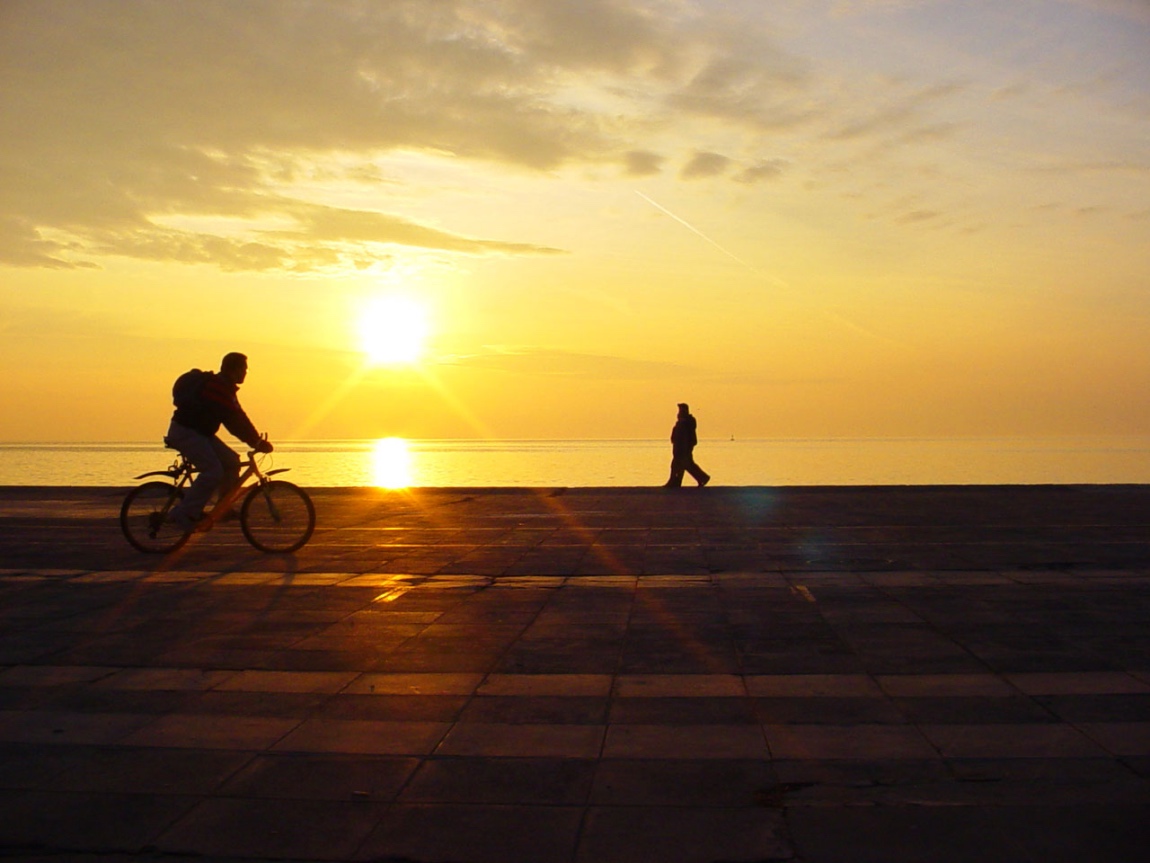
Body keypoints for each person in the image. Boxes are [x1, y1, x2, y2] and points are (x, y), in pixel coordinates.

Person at [165, 352, 273, 531]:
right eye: (244, 369)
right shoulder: (218, 389)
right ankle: (184, 513)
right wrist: (256, 443)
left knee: (232, 461)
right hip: (186, 432)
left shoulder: (225, 388)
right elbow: (234, 422)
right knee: (213, 471)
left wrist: (256, 440)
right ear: (235, 370)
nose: (246, 373)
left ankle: (223, 508)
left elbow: (239, 416)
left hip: (201, 433)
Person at [664, 402, 710, 488]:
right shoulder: (682, 422)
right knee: (680, 464)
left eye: (681, 410)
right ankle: (675, 481)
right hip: (680, 447)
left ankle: (703, 478)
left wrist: (685, 447)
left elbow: (685, 437)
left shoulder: (686, 422)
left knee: (686, 464)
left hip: (683, 448)